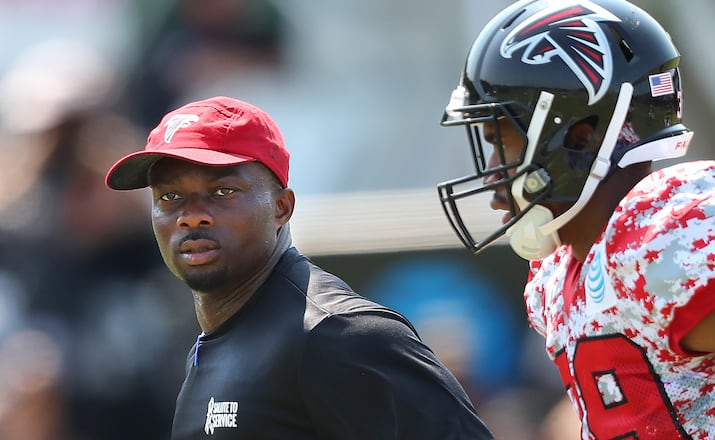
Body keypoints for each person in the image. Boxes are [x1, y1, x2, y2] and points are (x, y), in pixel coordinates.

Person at [435, 0, 715, 438]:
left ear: (578, 136)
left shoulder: (664, 238)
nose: (491, 168)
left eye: (502, 140)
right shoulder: (559, 274)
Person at [104, 95, 493, 439]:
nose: (192, 217)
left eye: (222, 191)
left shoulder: (339, 334)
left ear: (281, 208)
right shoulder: (212, 346)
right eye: (169, 196)